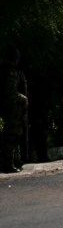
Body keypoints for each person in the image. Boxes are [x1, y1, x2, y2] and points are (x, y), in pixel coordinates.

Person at [0, 45, 28, 173]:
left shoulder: (5, 70)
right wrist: (23, 98)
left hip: (9, 106)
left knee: (13, 135)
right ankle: (8, 164)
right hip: (11, 107)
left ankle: (13, 161)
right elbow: (10, 92)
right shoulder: (10, 71)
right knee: (11, 136)